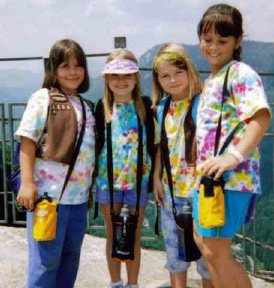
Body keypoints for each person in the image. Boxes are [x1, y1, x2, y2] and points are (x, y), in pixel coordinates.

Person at [192, 4, 271, 288]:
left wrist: (233, 156)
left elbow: (260, 119)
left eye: (222, 41)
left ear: (238, 41)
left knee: (215, 250)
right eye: (207, 39)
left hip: (232, 179)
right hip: (210, 180)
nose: (213, 47)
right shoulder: (213, 78)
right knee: (204, 245)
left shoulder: (240, 73)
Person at [15, 39, 95, 288]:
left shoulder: (85, 105)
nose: (73, 72)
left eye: (78, 65)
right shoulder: (43, 98)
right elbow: (27, 142)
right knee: (44, 262)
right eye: (65, 66)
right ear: (53, 70)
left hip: (79, 199)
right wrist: (27, 184)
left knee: (70, 259)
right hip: (49, 199)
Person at [152, 43, 213, 288]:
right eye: (165, 75)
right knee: (174, 253)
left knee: (207, 256)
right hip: (170, 191)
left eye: (178, 72)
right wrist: (156, 177)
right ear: (158, 79)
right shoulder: (161, 109)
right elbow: (161, 146)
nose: (173, 80)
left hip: (200, 191)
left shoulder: (203, 103)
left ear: (189, 69)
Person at [94, 48, 154, 288]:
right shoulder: (101, 108)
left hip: (138, 182)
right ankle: (115, 282)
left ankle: (133, 284)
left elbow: (155, 145)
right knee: (113, 233)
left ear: (136, 78)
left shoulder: (146, 107)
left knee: (134, 235)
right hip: (108, 181)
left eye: (127, 76)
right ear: (106, 79)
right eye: (114, 76)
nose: (121, 81)